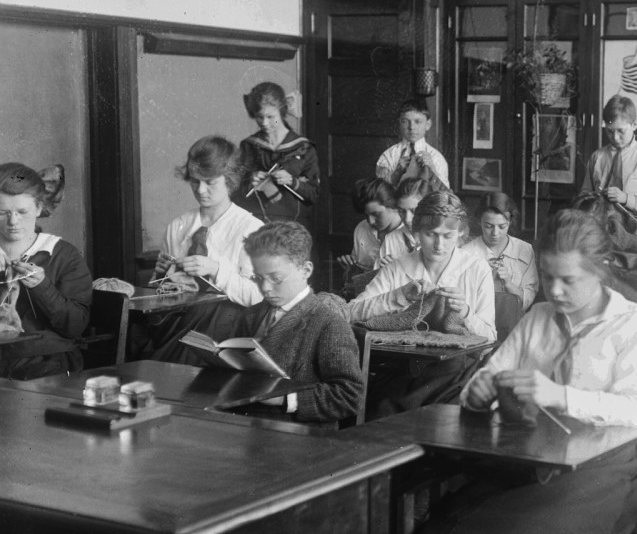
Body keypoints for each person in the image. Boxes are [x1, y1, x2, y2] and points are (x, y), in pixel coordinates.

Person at [404, 209, 637, 534]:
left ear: (599, 273)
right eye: (546, 277)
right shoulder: (539, 316)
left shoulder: (634, 324)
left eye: (568, 280)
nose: (554, 290)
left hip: (603, 478)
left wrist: (561, 395)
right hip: (529, 465)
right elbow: (487, 378)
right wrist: (479, 393)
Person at [345, 191, 495, 416]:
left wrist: (464, 312)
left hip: (457, 373)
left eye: (448, 236)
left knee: (441, 417)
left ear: (461, 233)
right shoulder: (400, 266)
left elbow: (489, 338)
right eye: (430, 234)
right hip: (404, 370)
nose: (439, 245)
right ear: (416, 233)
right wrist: (399, 296)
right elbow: (351, 312)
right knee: (382, 409)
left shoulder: (476, 268)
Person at [231, 222, 362, 424]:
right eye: (257, 278)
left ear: (306, 270)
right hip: (246, 425)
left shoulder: (328, 323)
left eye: (276, 278)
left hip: (297, 436)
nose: (264, 288)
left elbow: (349, 397)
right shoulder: (251, 315)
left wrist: (284, 398)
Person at [150, 136, 263, 364]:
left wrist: (216, 269)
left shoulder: (250, 228)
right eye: (194, 181)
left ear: (229, 180)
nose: (201, 190)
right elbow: (163, 292)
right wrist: (162, 276)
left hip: (225, 327)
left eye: (210, 182)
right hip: (179, 321)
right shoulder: (178, 226)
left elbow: (256, 296)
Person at [0, 163, 91, 379]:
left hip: (45, 362)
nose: (13, 222)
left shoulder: (62, 255)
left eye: (23, 212)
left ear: (39, 208)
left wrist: (43, 288)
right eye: (2, 213)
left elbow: (75, 326)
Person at [234, 82, 321, 229]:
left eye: (270, 117)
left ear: (281, 112)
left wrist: (292, 182)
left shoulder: (303, 147)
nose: (265, 123)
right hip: (256, 221)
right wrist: (251, 180)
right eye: (259, 117)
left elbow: (314, 194)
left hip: (292, 223)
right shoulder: (249, 146)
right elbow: (234, 191)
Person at [581, 95, 637, 224]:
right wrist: (591, 200)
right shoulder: (597, 157)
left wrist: (625, 198)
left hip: (633, 230)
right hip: (600, 228)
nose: (615, 137)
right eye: (609, 131)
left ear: (634, 125)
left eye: (621, 131)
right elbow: (583, 198)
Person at [462, 193, 538, 310]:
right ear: (479, 222)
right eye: (488, 226)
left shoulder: (525, 250)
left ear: (510, 222)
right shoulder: (466, 253)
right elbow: (462, 300)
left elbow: (528, 301)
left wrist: (508, 284)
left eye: (502, 226)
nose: (495, 233)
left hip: (515, 322)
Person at [337, 177, 425, 275]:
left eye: (376, 214)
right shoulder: (362, 229)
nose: (370, 221)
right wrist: (350, 269)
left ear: (393, 206)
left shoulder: (415, 232)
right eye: (366, 215)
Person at [375, 99, 450, 190]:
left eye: (418, 122)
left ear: (428, 124)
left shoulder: (436, 158)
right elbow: (380, 193)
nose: (411, 127)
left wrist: (432, 170)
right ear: (399, 123)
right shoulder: (388, 155)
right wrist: (397, 173)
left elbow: (446, 196)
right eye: (405, 121)